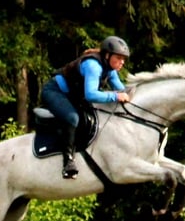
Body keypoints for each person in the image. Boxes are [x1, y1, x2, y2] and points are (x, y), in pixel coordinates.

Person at [41, 36, 132, 179]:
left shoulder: (110, 69)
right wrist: (115, 96)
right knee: (72, 118)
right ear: (107, 55)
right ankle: (68, 162)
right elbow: (91, 95)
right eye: (119, 58)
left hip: (73, 96)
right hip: (55, 91)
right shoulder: (93, 66)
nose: (122, 62)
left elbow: (121, 90)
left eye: (124, 59)